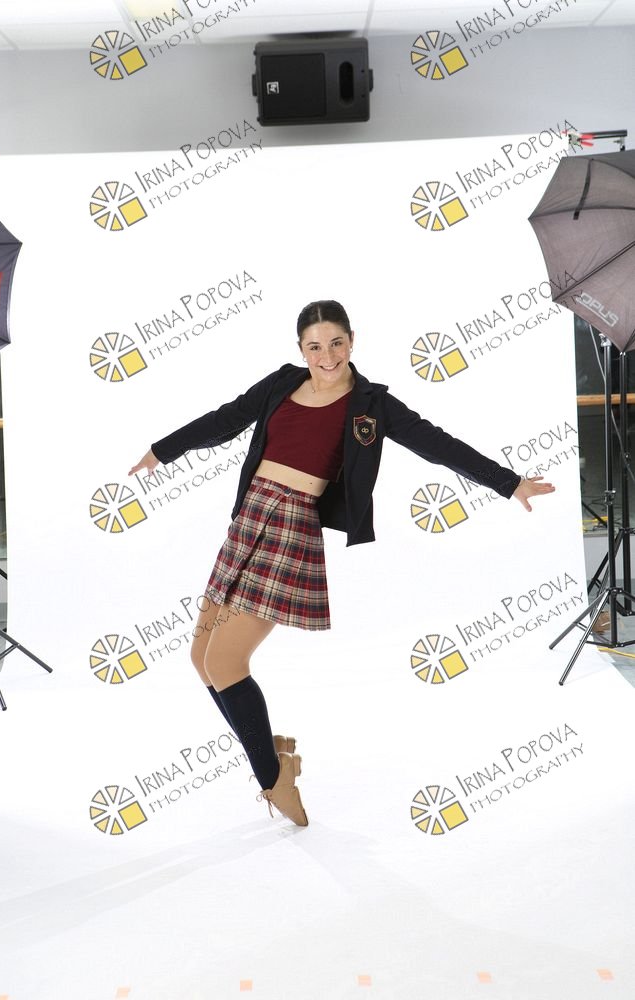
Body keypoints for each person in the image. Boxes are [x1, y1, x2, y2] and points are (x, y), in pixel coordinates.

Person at [129, 300, 555, 828]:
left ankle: (273, 779)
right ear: (300, 350)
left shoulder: (371, 405)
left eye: (336, 343)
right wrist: (163, 450)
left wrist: (509, 483)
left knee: (226, 663)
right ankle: (274, 756)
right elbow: (226, 419)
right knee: (201, 658)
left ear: (352, 341)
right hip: (249, 520)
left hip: (290, 530)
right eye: (314, 346)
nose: (326, 356)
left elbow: (438, 445)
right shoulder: (281, 383)